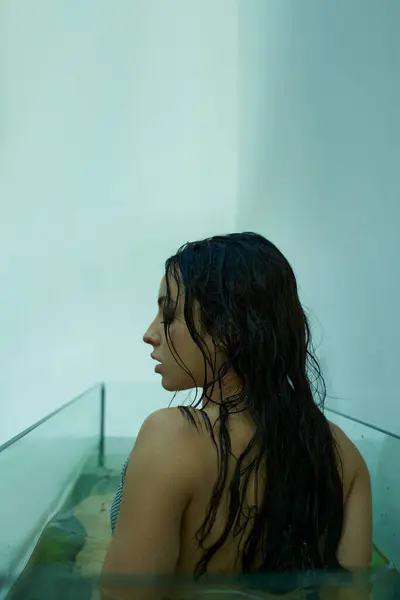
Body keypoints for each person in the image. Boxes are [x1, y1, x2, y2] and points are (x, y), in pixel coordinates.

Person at [100, 232, 372, 599]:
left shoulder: (170, 438)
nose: (150, 334)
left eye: (168, 313)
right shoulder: (343, 455)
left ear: (228, 329)